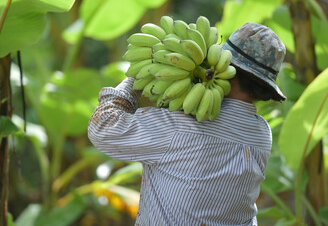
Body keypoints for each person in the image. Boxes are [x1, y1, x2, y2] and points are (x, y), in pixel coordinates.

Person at [88, 22, 286, 226]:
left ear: (225, 66)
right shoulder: (262, 135)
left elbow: (102, 126)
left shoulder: (180, 127)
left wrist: (135, 78)